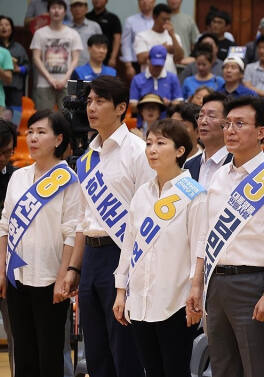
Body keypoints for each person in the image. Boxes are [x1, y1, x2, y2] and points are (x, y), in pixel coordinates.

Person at [60, 76, 151, 377]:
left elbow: (147, 215)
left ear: (121, 107)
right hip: (92, 260)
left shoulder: (139, 151)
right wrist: (74, 269)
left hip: (123, 255)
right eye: (88, 101)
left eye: (100, 101)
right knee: (96, 352)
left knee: (124, 350)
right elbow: (85, 218)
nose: (91, 108)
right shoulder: (86, 158)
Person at [199, 96, 264, 377]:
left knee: (258, 369)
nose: (230, 130)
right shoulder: (218, 176)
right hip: (214, 283)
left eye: (240, 124)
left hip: (253, 284)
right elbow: (205, 234)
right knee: (222, 368)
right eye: (227, 124)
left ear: (261, 132)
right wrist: (196, 285)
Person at [112, 118, 206, 377]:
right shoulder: (142, 192)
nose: (152, 149)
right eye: (149, 143)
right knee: (151, 370)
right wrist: (121, 291)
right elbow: (129, 244)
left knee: (175, 370)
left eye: (161, 143)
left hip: (176, 301)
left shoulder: (194, 193)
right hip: (140, 300)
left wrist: (196, 289)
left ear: (180, 151)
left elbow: (200, 247)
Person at [0, 110, 79, 377]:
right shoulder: (18, 177)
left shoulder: (69, 180)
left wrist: (63, 276)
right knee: (23, 356)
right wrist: (2, 269)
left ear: (58, 139)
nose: (32, 138)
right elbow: (5, 225)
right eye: (30, 132)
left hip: (50, 281)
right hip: (16, 278)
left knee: (49, 357)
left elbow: (72, 232)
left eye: (41, 132)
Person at [29, 0, 82, 111]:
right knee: (44, 118)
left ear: (64, 12)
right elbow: (36, 57)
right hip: (44, 83)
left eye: (60, 8)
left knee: (67, 119)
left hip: (67, 83)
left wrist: (65, 79)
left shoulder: (73, 34)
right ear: (48, 11)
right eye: (53, 8)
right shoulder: (39, 33)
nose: (56, 11)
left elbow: (75, 59)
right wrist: (50, 79)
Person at [184, 93, 231, 184]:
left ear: (227, 122)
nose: (203, 122)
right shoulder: (189, 166)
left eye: (211, 116)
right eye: (200, 116)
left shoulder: (237, 163)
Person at [0, 119, 15, 376]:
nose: (5, 157)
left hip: (9, 265)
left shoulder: (16, 178)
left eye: (8, 151)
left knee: (18, 337)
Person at [129, 45, 183, 114]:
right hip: (144, 122)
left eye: (159, 65)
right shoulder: (137, 79)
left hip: (167, 122)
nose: (157, 68)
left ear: (165, 61)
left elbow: (180, 103)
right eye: (154, 64)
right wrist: (148, 103)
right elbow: (132, 106)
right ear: (148, 60)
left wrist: (170, 103)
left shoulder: (173, 78)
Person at [134, 3, 184, 75]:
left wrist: (172, 36)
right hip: (149, 78)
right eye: (164, 19)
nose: (167, 22)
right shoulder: (142, 36)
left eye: (169, 19)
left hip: (169, 78)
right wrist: (162, 48)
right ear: (154, 17)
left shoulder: (175, 36)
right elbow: (141, 59)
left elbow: (179, 58)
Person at [0, 16, 29, 124]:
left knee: (14, 123)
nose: (3, 27)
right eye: (1, 25)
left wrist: (18, 69)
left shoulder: (19, 48)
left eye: (7, 25)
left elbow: (28, 67)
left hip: (15, 88)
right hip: (0, 87)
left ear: (12, 28)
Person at [121, 0, 155, 81]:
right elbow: (126, 44)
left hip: (156, 62)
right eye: (141, 0)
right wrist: (128, 66)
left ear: (154, 2)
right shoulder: (130, 20)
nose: (144, 2)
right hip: (136, 63)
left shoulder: (158, 20)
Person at [86, 0, 122, 67]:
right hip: (88, 56)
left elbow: (117, 39)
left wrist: (113, 58)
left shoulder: (113, 18)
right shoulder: (87, 17)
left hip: (107, 57)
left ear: (106, 1)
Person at [69, 0, 102, 66]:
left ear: (86, 9)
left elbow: (100, 47)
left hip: (90, 66)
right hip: (70, 67)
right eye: (74, 6)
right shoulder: (66, 28)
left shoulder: (94, 26)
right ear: (70, 10)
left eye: (80, 6)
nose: (77, 9)